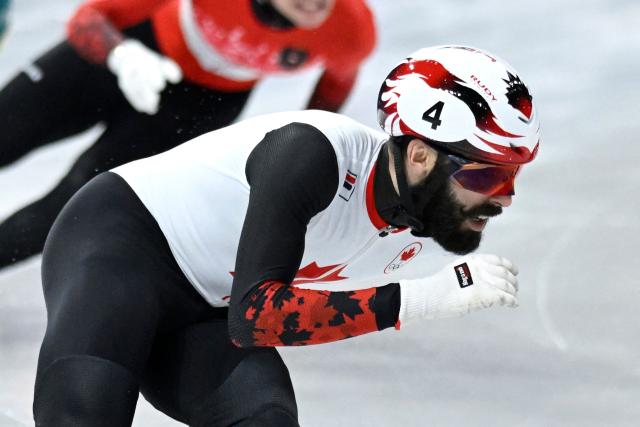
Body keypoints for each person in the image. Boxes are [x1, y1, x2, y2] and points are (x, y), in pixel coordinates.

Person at [33, 45, 541, 426]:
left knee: (266, 419)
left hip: (208, 310)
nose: (505, 197)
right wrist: (420, 299)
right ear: (420, 155)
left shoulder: (423, 210)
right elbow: (258, 316)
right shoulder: (311, 154)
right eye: (486, 175)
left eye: (512, 177)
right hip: (120, 250)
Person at [0, 0, 375, 269]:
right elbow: (89, 18)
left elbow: (331, 93)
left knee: (76, 206)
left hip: (202, 105)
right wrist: (120, 55)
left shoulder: (351, 29)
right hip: (132, 50)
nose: (314, 4)